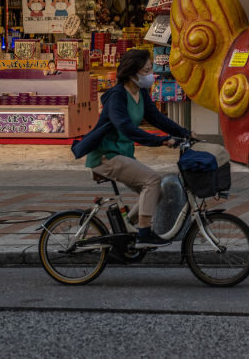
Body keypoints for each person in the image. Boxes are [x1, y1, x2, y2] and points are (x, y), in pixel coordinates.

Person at [72, 48, 192, 246]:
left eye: (150, 69)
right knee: (153, 180)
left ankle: (125, 229)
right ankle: (144, 233)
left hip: (123, 153)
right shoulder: (116, 96)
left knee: (158, 191)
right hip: (106, 155)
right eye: (145, 71)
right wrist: (159, 141)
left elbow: (157, 118)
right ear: (132, 73)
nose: (150, 75)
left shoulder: (141, 93)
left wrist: (185, 133)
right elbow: (125, 127)